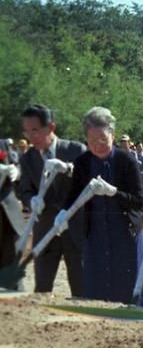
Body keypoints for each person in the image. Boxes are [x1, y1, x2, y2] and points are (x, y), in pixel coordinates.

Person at [60, 107, 143, 305]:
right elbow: (73, 195)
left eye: (103, 140)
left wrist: (113, 192)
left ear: (113, 135)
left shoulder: (126, 160)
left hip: (124, 231)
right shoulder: (83, 162)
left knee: (128, 285)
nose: (98, 146)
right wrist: (63, 213)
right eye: (92, 141)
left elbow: (138, 201)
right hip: (96, 233)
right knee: (99, 286)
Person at [18, 104, 85, 296]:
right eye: (27, 131)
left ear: (51, 128)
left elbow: (88, 178)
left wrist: (68, 168)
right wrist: (31, 200)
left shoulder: (75, 149)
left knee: (81, 287)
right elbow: (25, 190)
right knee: (42, 288)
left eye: (35, 131)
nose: (30, 137)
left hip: (73, 228)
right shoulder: (28, 158)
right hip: (45, 229)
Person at [0, 152, 24, 289]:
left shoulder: (3, 146)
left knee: (11, 261)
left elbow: (20, 167)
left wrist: (17, 171)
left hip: (8, 216)